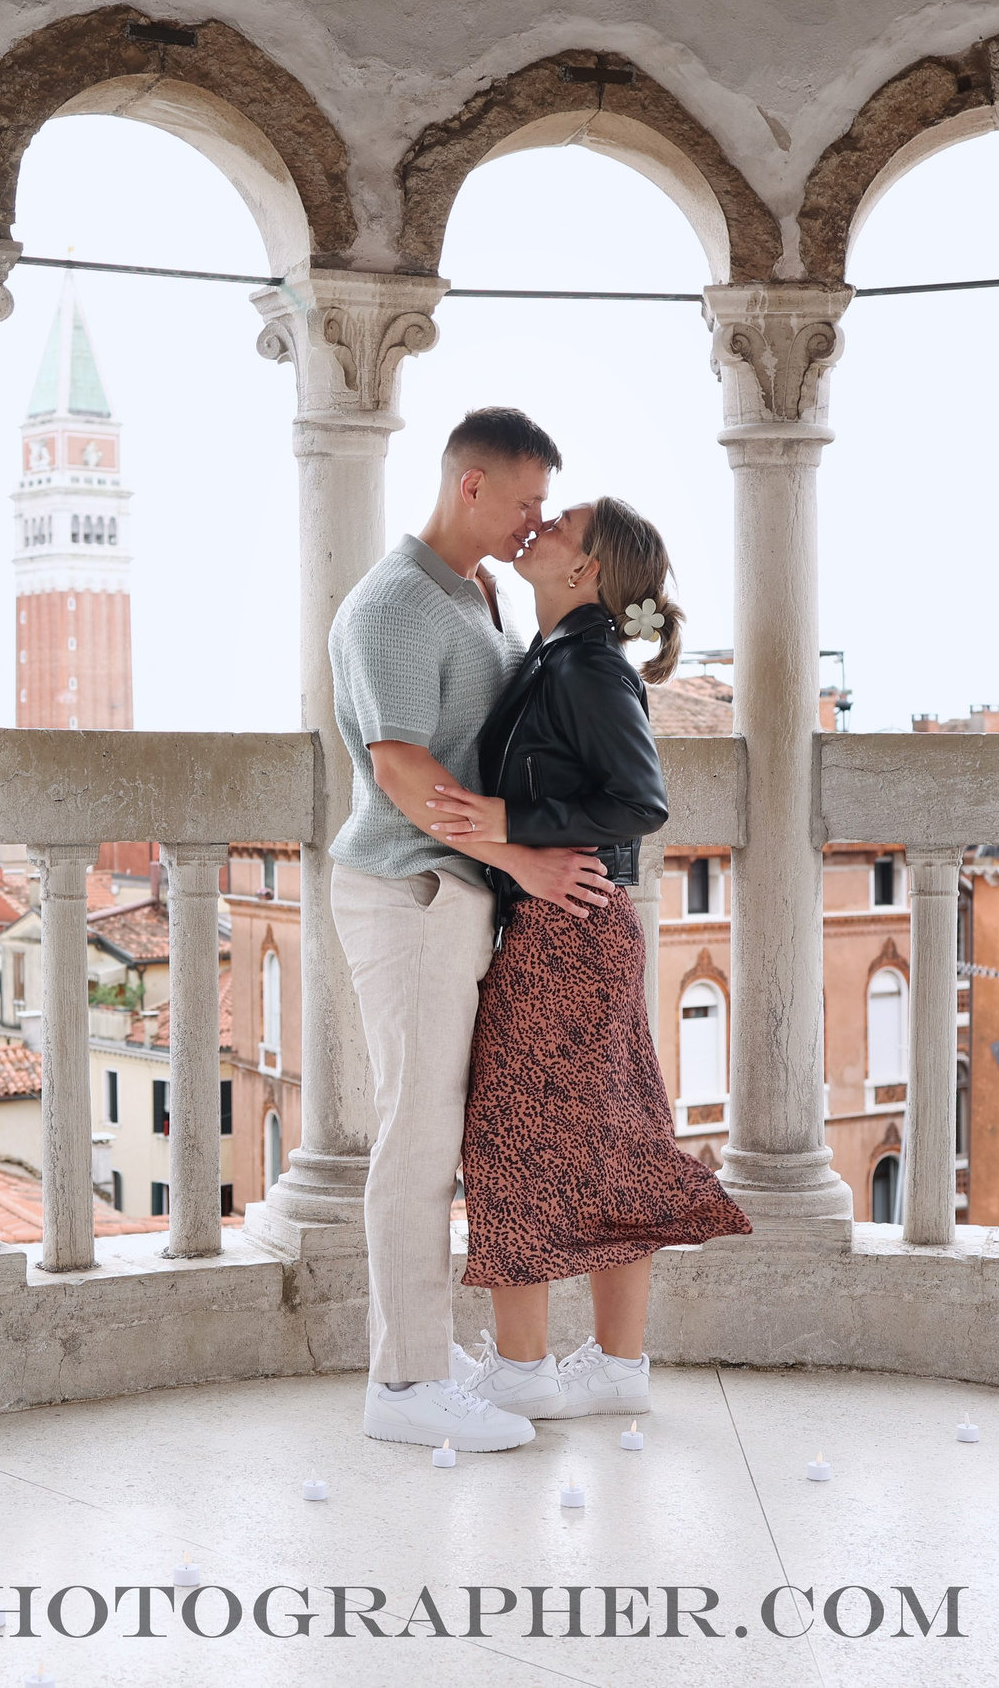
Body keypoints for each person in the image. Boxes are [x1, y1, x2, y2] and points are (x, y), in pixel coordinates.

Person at [328, 408, 622, 1452]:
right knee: (417, 1136)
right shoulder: (395, 605)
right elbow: (403, 768)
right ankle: (403, 1388)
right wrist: (521, 860)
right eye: (526, 500)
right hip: (408, 891)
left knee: (438, 1130)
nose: (535, 519)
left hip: (455, 893)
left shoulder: (480, 594)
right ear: (469, 488)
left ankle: (417, 1350)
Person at [427, 498, 753, 1420]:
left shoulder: (588, 665)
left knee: (510, 1138)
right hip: (577, 928)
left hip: (566, 929)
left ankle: (527, 1370)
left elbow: (641, 803)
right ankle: (617, 1367)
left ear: (588, 572)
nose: (542, 522)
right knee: (610, 1138)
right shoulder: (558, 655)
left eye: (562, 521)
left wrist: (508, 823)